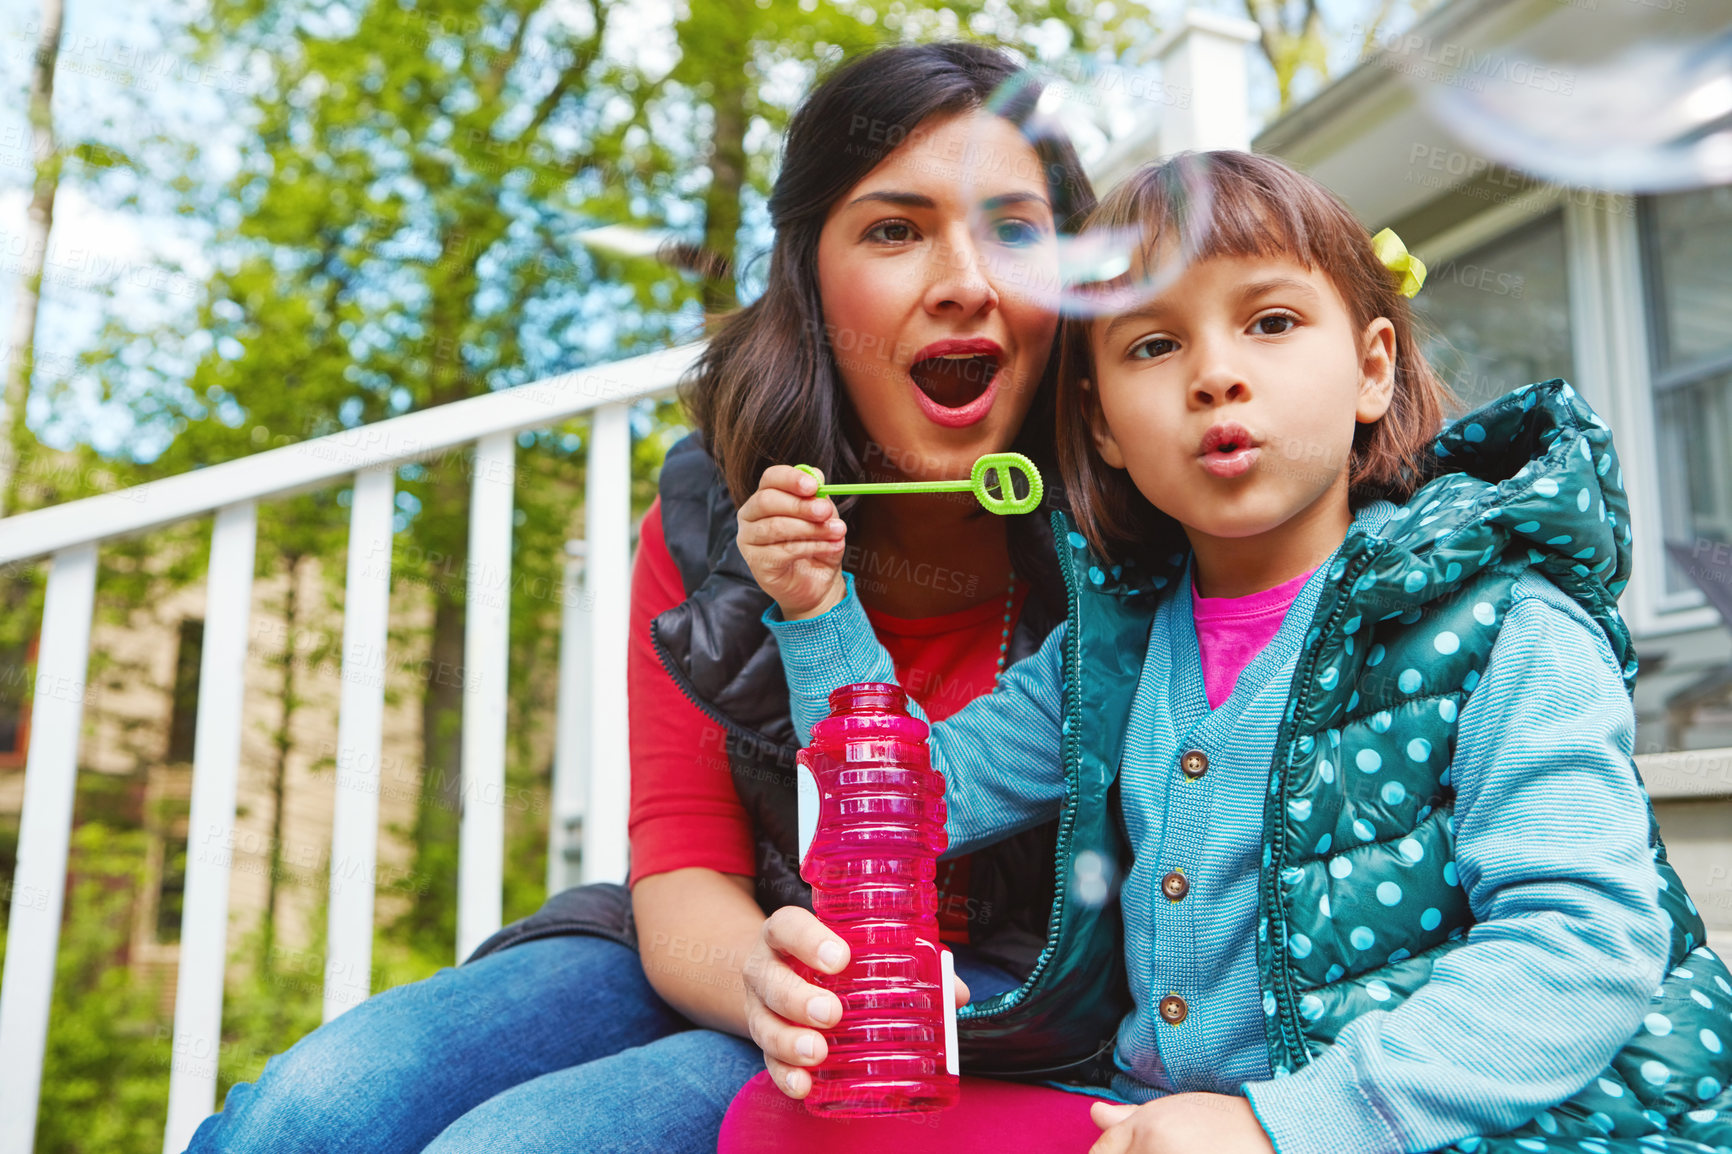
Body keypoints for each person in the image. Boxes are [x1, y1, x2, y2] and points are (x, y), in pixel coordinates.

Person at [181, 41, 1110, 1154]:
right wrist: (759, 972)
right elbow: (684, 861)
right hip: (720, 950)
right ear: (810, 282)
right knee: (310, 1111)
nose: (964, 277)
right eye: (894, 228)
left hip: (978, 1012)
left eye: (1014, 228)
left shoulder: (1132, 530)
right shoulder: (703, 519)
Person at [726, 151, 1732, 1154]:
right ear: (1102, 425)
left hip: (1444, 1120)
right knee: (779, 1120)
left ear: (1372, 368)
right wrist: (817, 606)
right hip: (1158, 1119)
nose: (1214, 374)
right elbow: (896, 800)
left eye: (1271, 322)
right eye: (1156, 343)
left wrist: (1279, 1124)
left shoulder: (1506, 622)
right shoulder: (1108, 651)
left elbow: (1584, 946)